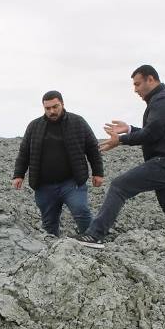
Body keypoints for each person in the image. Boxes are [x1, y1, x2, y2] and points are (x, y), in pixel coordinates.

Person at [73, 65, 165, 279]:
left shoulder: (163, 101)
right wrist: (129, 129)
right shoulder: (162, 100)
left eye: (138, 84)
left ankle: (95, 235)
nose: (135, 89)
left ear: (151, 79)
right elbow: (155, 132)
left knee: (120, 186)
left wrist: (120, 140)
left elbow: (152, 133)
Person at [13, 90, 104, 236]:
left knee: (81, 211)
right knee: (49, 222)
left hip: (72, 183)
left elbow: (92, 147)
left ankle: (93, 240)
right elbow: (24, 152)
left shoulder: (78, 122)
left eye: (55, 107)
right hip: (44, 185)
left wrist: (98, 172)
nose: (52, 111)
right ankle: (52, 251)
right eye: (47, 108)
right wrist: (18, 175)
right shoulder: (34, 126)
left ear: (62, 104)